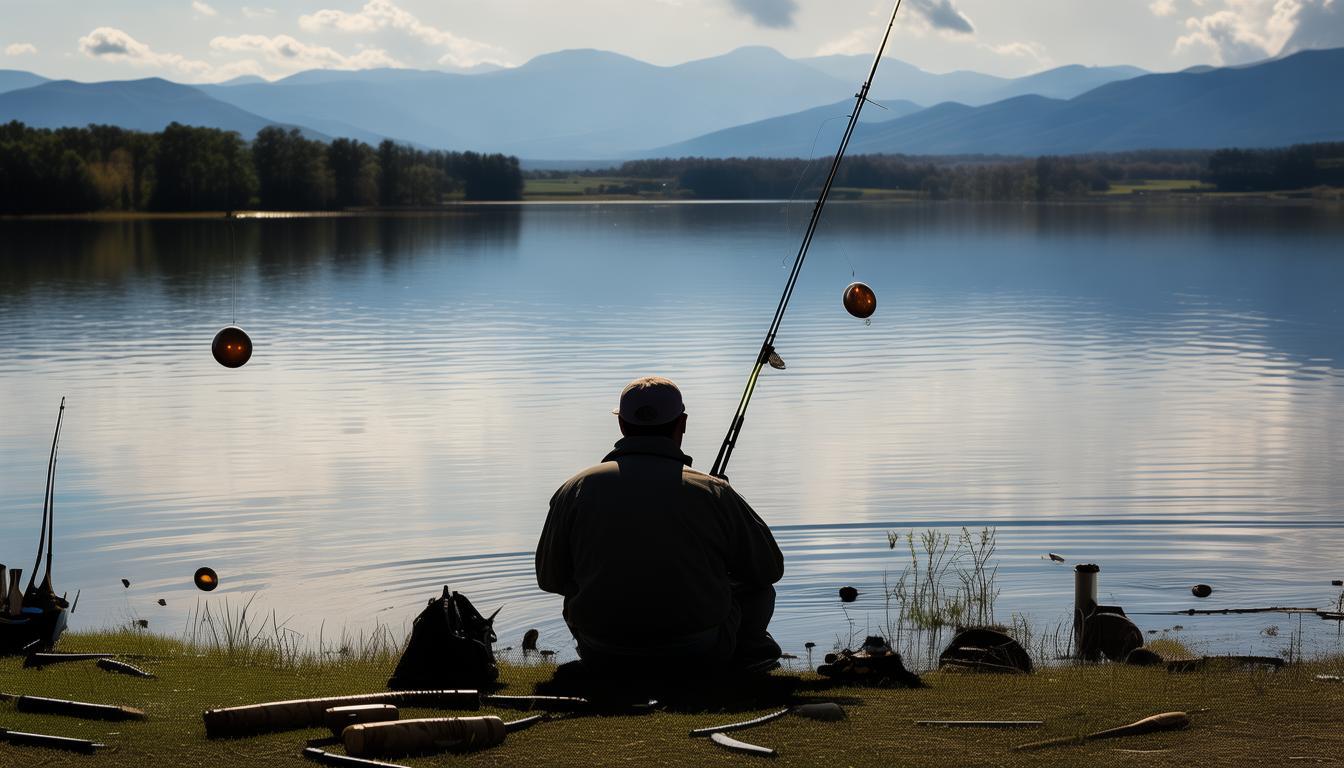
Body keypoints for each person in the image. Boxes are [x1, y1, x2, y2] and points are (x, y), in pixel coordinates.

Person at [536, 376, 784, 674]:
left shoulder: (574, 488)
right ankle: (748, 654)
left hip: (600, 648)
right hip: (698, 650)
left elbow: (549, 579)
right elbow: (769, 569)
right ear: (682, 423)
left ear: (622, 426)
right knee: (759, 590)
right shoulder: (714, 492)